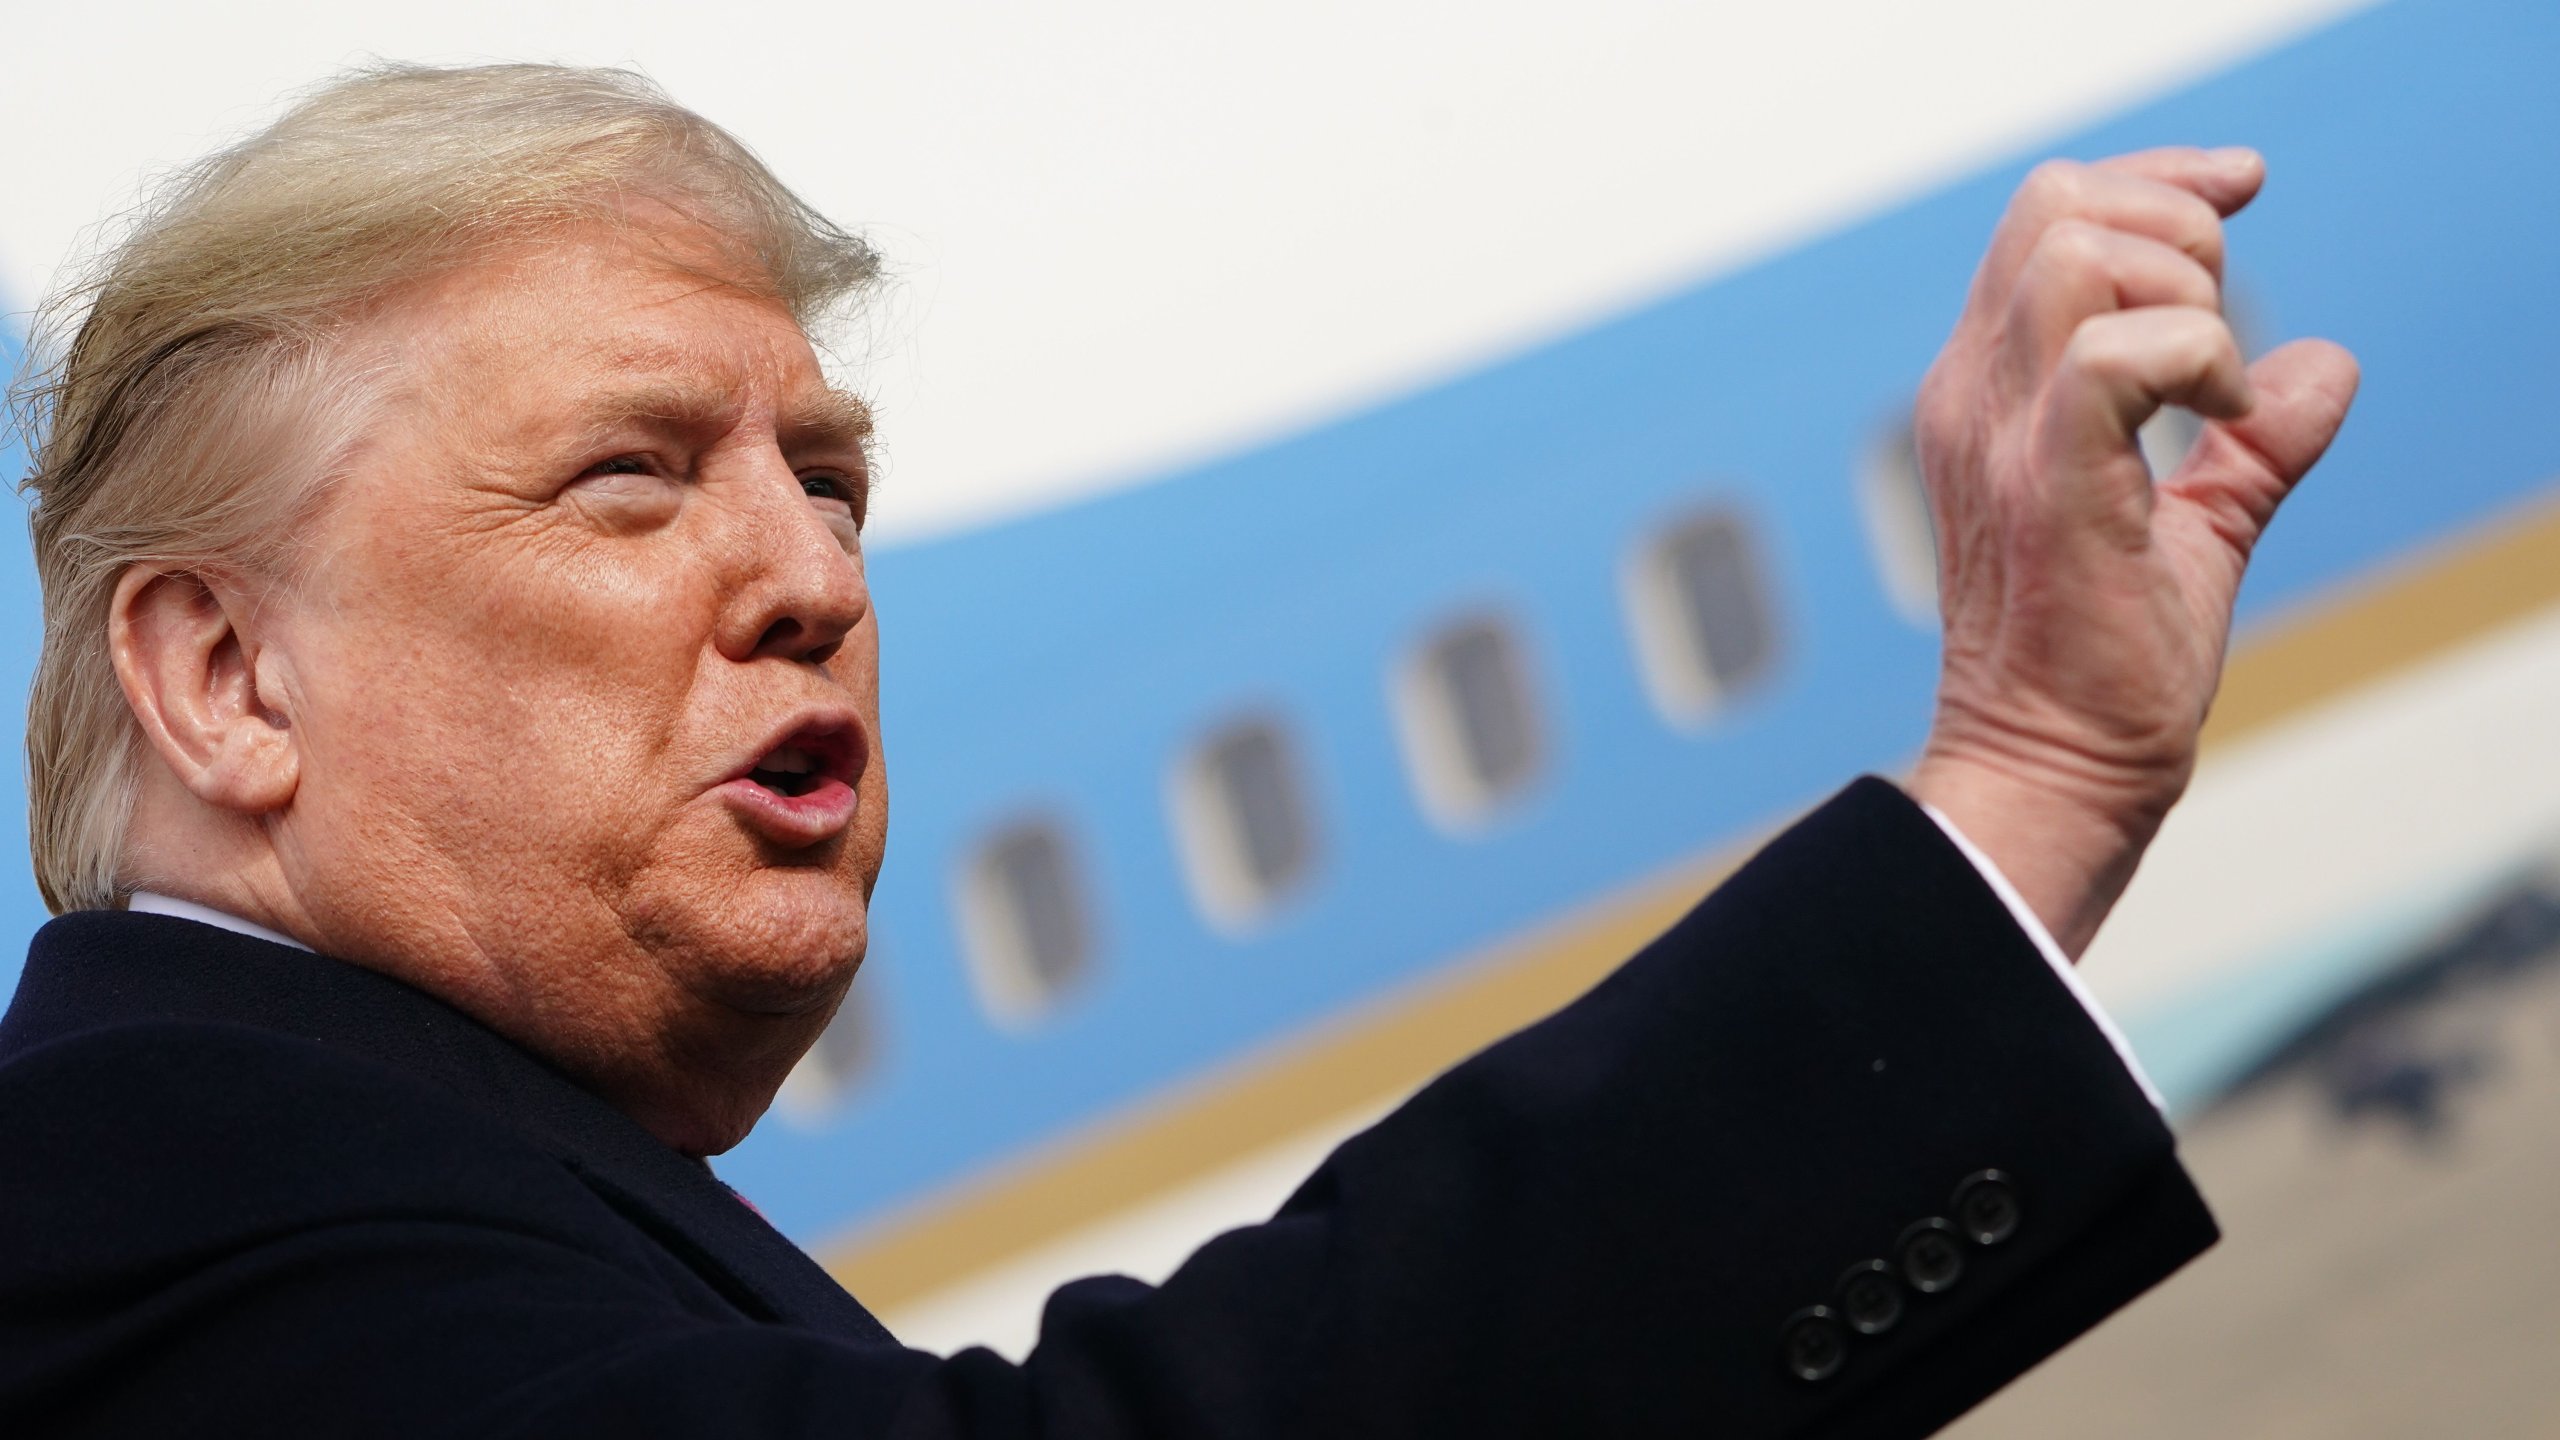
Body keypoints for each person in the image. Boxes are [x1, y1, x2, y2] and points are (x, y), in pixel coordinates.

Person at [0, 63, 2356, 1438]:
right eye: (631, 476)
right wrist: (2024, 775)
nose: (811, 573)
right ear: (222, 679)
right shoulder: (138, 1189)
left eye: (824, 478)